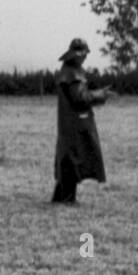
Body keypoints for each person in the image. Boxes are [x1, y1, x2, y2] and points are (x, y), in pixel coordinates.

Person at [51, 37, 115, 204]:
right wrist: (100, 95)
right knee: (72, 159)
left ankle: (62, 198)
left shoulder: (68, 71)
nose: (85, 57)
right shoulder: (72, 73)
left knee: (69, 159)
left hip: (70, 122)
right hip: (75, 123)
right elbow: (80, 98)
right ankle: (66, 199)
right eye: (83, 54)